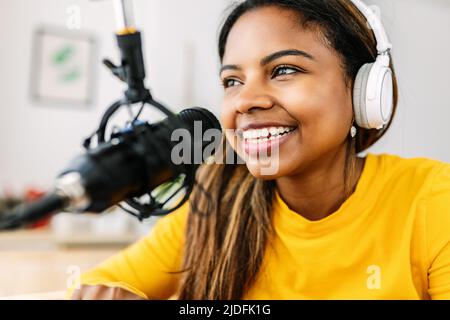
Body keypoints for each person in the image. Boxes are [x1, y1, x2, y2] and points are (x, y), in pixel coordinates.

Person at [70, 0, 450, 300]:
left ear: (364, 92)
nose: (245, 101)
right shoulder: (215, 202)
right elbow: (104, 283)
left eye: (284, 70)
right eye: (232, 80)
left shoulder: (432, 200)